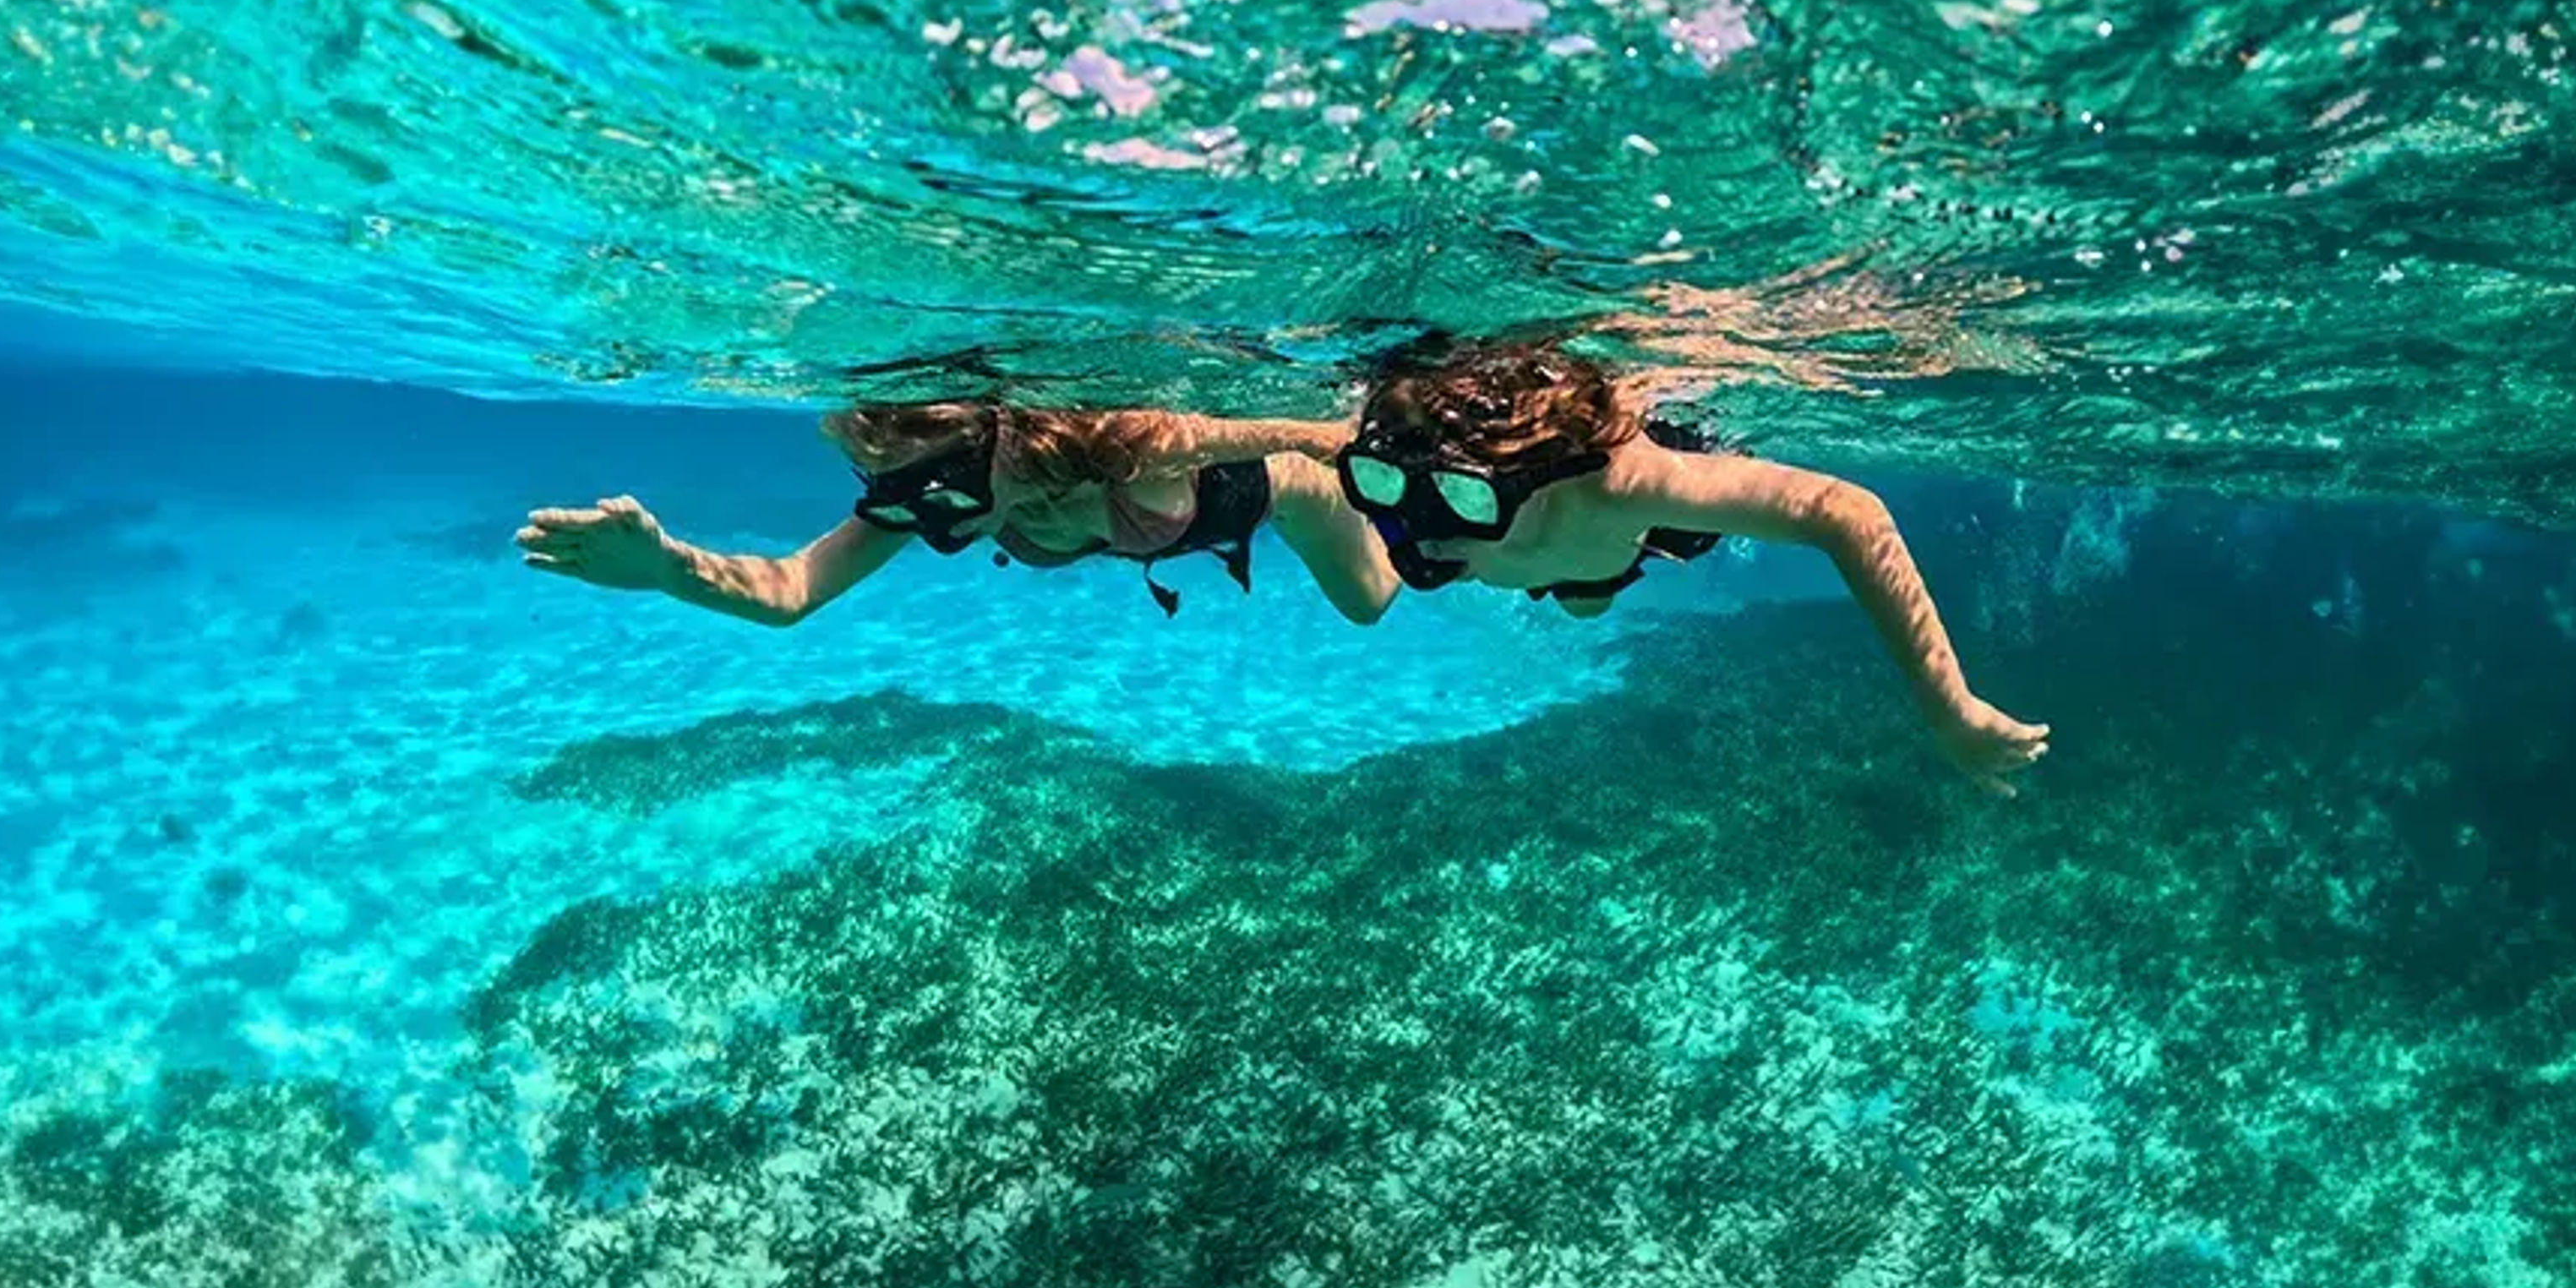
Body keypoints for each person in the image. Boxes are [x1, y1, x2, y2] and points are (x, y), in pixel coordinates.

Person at [1334, 335, 2050, 793]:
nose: (1418, 530)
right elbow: (1318, 444)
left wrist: (1949, 707)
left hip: (1610, 544)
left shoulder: (1617, 486)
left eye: (1459, 499)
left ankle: (1600, 572)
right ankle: (1576, 580)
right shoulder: (1411, 472)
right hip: (1566, 560)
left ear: (1527, 479)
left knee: (1589, 593)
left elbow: (1848, 513)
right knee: (1578, 598)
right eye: (1384, 488)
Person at [516, 401, 1396, 625]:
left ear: (1002, 450)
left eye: (946, 488)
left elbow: (1317, 435)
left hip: (1262, 491)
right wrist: (670, 569)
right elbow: (790, 591)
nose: (932, 516)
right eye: (896, 492)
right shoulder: (924, 493)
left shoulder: (1122, 441)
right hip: (1150, 531)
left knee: (1373, 601)